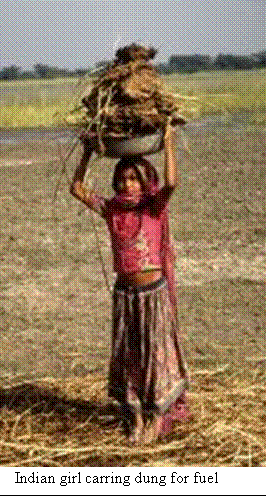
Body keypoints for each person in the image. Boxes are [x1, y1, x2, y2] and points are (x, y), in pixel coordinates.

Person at [70, 122, 191, 444]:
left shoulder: (152, 208)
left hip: (152, 293)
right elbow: (77, 189)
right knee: (130, 356)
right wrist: (86, 152)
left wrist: (168, 144)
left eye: (134, 177)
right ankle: (135, 416)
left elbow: (172, 183)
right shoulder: (111, 210)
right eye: (122, 178)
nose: (127, 184)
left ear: (145, 180)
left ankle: (155, 416)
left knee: (154, 354)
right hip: (125, 294)